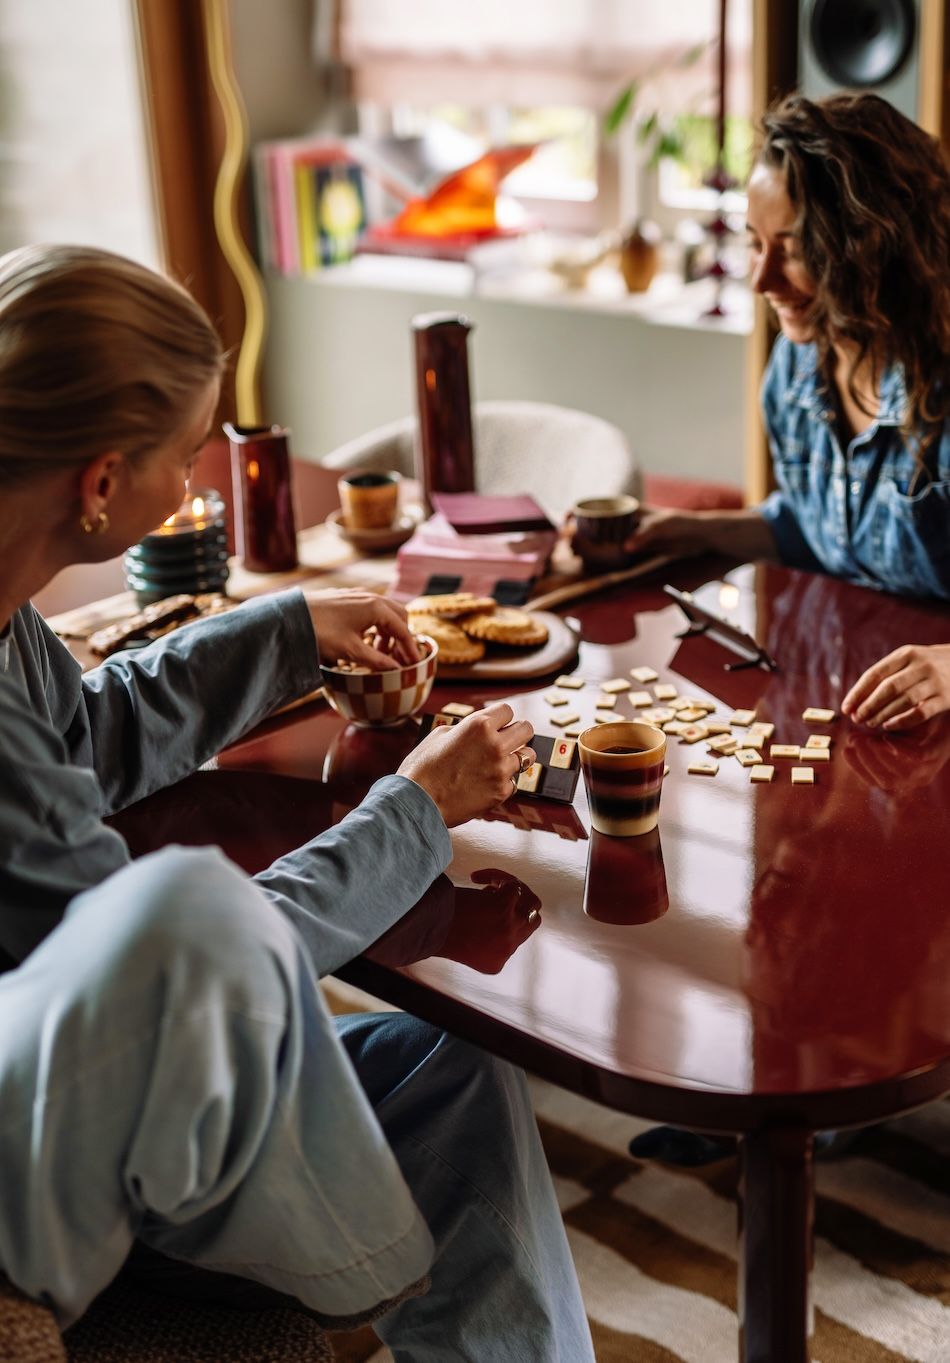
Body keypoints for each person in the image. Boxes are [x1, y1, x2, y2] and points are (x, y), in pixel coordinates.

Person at [0, 243, 595, 1362]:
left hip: (85, 1082)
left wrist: (286, 626)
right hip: (57, 1164)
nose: (194, 487)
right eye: (185, 459)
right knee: (200, 912)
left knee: (458, 1068)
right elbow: (200, 985)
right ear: (99, 483)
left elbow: (83, 735)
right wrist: (416, 811)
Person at [627, 92, 950, 734]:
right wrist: (690, 531)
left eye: (796, 250)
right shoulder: (795, 370)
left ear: (872, 244)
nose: (761, 280)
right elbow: (815, 528)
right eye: (754, 244)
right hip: (853, 709)